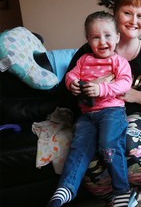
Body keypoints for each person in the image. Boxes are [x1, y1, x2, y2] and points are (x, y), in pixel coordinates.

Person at [64, 0, 141, 203]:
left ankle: (139, 191)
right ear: (115, 15)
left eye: (140, 15)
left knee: (127, 142)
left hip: (140, 115)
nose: (134, 21)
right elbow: (67, 90)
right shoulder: (88, 51)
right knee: (89, 167)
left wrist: (137, 96)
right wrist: (82, 90)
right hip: (97, 115)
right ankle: (119, 197)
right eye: (127, 13)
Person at [47, 11, 133, 207]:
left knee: (108, 143)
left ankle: (122, 189)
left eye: (108, 35)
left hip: (112, 112)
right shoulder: (84, 60)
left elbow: (125, 83)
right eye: (95, 37)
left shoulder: (118, 61)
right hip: (87, 115)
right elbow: (70, 75)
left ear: (117, 37)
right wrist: (73, 83)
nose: (102, 41)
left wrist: (101, 88)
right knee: (78, 148)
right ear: (88, 40)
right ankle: (66, 189)